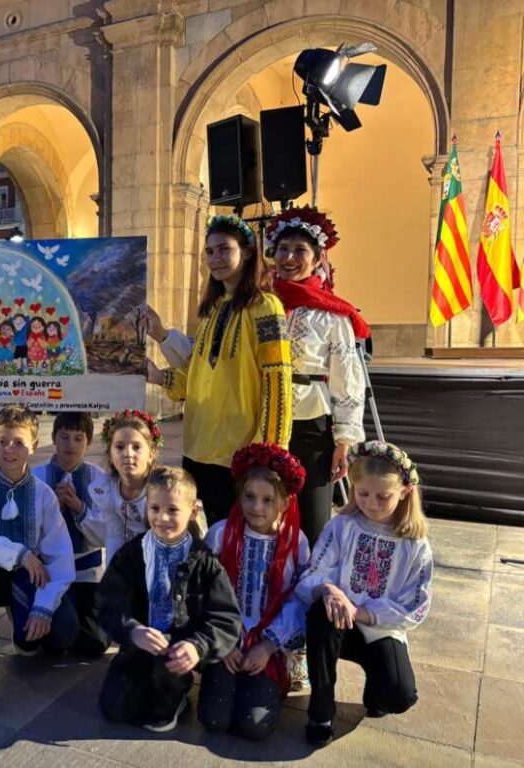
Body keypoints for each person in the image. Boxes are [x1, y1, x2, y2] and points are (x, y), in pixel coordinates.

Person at [147, 214, 293, 526]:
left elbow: (277, 379)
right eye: (210, 252)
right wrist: (158, 376)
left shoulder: (265, 306)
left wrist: (268, 450)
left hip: (239, 452)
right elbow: (198, 375)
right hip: (200, 445)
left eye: (225, 249)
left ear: (248, 251)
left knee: (241, 538)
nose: (216, 259)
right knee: (213, 533)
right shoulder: (212, 310)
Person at [296, 441, 432, 748]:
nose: (370, 503)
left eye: (382, 496)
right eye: (362, 493)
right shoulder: (342, 526)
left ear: (404, 492)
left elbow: (416, 606)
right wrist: (328, 588)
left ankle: (377, 686)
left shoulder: (415, 544)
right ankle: (321, 709)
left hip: (380, 630)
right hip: (337, 623)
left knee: (398, 696)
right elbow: (313, 573)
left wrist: (364, 613)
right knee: (320, 613)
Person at [97, 467, 241, 733]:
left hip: (178, 652)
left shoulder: (205, 562)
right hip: (139, 647)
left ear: (192, 512)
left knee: (158, 716)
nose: (162, 518)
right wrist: (133, 630)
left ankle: (175, 695)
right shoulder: (131, 554)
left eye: (173, 510)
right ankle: (140, 681)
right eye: (154, 508)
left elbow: (226, 618)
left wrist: (197, 646)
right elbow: (109, 601)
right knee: (114, 709)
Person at [0, 405, 78, 694]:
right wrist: (20, 554)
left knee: (64, 634)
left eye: (19, 443)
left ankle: (23, 621)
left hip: (27, 579)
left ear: (34, 446)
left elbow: (60, 555)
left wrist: (43, 608)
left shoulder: (43, 494)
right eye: (3, 442)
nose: (9, 450)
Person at [266, 207, 368, 543]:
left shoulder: (331, 314)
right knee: (264, 511)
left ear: (316, 257)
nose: (289, 257)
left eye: (300, 251)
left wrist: (343, 440)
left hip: (311, 423)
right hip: (263, 419)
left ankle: (311, 589)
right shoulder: (260, 304)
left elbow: (346, 377)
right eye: (283, 249)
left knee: (311, 519)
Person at [198, 443, 311, 741]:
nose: (256, 507)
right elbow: (204, 591)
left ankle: (269, 683)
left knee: (254, 726)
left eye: (267, 500)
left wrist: (268, 647)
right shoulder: (221, 534)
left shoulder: (295, 543)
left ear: (284, 503)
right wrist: (223, 643)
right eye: (249, 497)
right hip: (227, 639)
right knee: (214, 719)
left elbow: (299, 599)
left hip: (267, 644)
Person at [31, 412, 110, 657]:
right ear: (53, 438)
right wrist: (51, 507)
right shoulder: (36, 477)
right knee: (57, 642)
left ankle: (71, 615)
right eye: (64, 437)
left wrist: (79, 508)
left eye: (78, 438)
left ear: (88, 442)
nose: (70, 445)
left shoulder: (98, 478)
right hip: (50, 570)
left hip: (86, 572)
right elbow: (27, 532)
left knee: (96, 643)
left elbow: (106, 534)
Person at [85, 409, 163, 560]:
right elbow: (115, 535)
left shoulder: (161, 491)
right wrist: (112, 577)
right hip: (132, 559)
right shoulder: (106, 488)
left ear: (151, 454)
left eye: (136, 447)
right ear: (110, 454)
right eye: (120, 447)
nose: (128, 453)